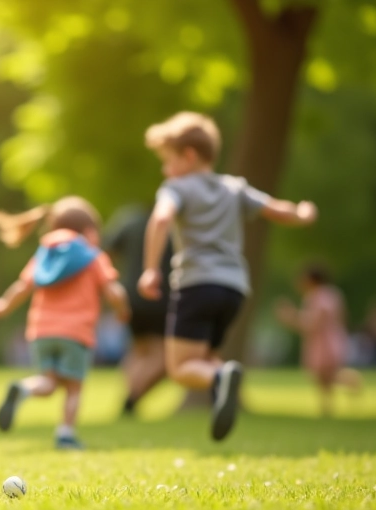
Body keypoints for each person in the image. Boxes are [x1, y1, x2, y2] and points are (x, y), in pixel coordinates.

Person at [138, 111, 317, 441]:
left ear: (189, 156)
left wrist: (150, 269)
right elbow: (276, 209)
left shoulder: (176, 188)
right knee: (204, 357)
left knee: (180, 369)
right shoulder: (234, 188)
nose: (166, 170)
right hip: (234, 290)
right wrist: (302, 213)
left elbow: (161, 220)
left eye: (168, 161)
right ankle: (221, 381)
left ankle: (221, 378)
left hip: (196, 285)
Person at [0, 197, 129, 450]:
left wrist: (3, 305)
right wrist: (122, 310)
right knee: (73, 387)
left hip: (41, 331)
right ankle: (65, 433)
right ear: (89, 231)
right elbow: (113, 291)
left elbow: (23, 287)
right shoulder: (94, 256)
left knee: (48, 382)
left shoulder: (44, 254)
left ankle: (23, 389)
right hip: (75, 332)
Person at [102, 205, 173, 417]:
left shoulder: (129, 219)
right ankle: (132, 399)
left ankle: (130, 400)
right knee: (166, 356)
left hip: (131, 295)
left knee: (139, 350)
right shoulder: (174, 224)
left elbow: (106, 252)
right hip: (163, 296)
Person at [276, 265, 362, 415]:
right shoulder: (332, 294)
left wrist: (291, 317)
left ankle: (350, 381)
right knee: (322, 376)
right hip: (329, 338)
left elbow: (313, 322)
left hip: (324, 342)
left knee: (325, 374)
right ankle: (327, 407)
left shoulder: (318, 296)